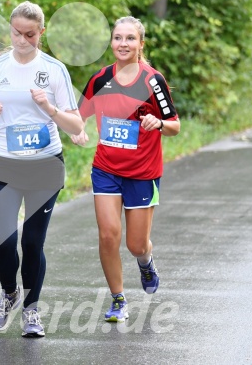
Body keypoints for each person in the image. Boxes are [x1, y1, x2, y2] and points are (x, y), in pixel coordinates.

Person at [0, 1, 83, 338]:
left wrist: (48, 107)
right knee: (4, 243)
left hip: (44, 165)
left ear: (41, 33)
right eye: (16, 33)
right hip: (4, 162)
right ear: (10, 29)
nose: (22, 40)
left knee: (33, 243)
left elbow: (75, 122)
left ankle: (32, 311)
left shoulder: (53, 70)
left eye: (30, 35)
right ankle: (10, 294)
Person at [71, 16, 181, 323]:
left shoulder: (152, 81)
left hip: (143, 172)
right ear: (111, 42)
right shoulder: (99, 79)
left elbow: (175, 125)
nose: (123, 44)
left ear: (140, 44)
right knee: (108, 236)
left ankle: (145, 261)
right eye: (118, 38)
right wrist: (77, 131)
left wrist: (159, 123)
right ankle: (118, 299)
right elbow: (78, 116)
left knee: (135, 244)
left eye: (130, 39)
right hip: (106, 169)